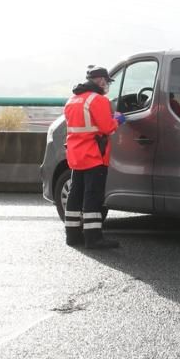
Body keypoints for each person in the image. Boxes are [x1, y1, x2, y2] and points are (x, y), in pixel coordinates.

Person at [63, 66, 126, 249]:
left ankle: (72, 236)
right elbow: (107, 128)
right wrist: (118, 120)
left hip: (76, 155)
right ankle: (93, 238)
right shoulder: (98, 100)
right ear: (100, 80)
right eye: (107, 82)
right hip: (93, 155)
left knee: (75, 195)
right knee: (93, 197)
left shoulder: (73, 100)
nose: (107, 85)